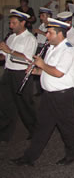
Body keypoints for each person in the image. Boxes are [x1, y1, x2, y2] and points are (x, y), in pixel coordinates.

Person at [11, 17, 74, 166]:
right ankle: (29, 157)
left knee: (67, 127)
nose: (46, 35)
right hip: (49, 95)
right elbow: (48, 71)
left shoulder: (69, 50)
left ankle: (73, 155)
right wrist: (36, 71)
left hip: (62, 95)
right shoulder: (51, 48)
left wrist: (41, 65)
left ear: (59, 34)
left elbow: (58, 73)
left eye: (49, 33)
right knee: (42, 127)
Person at [0, 10, 38, 142]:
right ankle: (4, 133)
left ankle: (35, 131)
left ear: (23, 23)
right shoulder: (11, 37)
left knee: (25, 105)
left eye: (14, 23)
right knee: (5, 104)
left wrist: (9, 51)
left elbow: (27, 59)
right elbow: (4, 56)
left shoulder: (30, 39)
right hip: (8, 73)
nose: (11, 26)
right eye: (10, 23)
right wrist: (4, 53)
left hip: (21, 74)